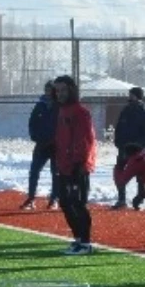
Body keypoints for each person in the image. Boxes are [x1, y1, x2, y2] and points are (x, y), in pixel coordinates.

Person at [52, 75, 96, 255]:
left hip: (77, 166)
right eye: (58, 90)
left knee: (78, 204)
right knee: (64, 202)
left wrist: (80, 163)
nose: (60, 93)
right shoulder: (62, 111)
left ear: (71, 90)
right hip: (64, 165)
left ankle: (85, 243)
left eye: (63, 90)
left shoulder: (80, 112)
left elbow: (85, 139)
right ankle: (78, 239)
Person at [111, 86, 145, 210]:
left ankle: (139, 198)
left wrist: (139, 146)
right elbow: (119, 127)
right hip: (124, 148)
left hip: (138, 150)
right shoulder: (126, 110)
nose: (129, 97)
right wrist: (118, 142)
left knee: (140, 175)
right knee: (120, 170)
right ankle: (121, 199)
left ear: (137, 96)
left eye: (132, 95)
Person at [21, 81, 59, 210]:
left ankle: (53, 199)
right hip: (41, 145)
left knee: (56, 173)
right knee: (34, 171)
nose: (48, 93)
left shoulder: (60, 106)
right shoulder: (40, 106)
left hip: (55, 146)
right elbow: (32, 123)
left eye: (51, 90)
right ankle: (31, 198)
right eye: (47, 90)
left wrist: (56, 139)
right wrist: (35, 136)